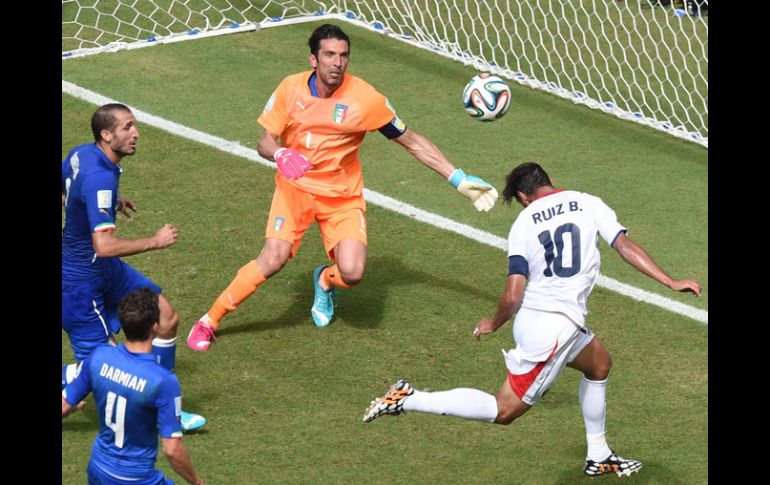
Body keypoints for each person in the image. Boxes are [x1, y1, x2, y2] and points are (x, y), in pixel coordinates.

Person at [362, 162, 701, 477]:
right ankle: (408, 397)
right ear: (547, 182)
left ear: (523, 196)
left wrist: (493, 322)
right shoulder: (587, 202)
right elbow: (624, 246)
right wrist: (670, 281)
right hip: (553, 328)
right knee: (503, 410)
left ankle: (599, 456)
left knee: (599, 365)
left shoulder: (523, 223)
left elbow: (513, 294)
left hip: (543, 320)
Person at [186, 23, 498, 350]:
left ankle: (324, 280)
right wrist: (280, 154)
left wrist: (458, 178)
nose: (337, 62)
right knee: (272, 259)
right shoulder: (290, 89)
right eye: (330, 55)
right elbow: (264, 141)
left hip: (341, 198)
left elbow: (411, 141)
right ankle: (209, 320)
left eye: (344, 55)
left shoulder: (365, 99)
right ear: (313, 59)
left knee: (352, 272)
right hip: (295, 192)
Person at [62, 103, 206, 432]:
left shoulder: (83, 154)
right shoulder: (100, 175)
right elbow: (105, 245)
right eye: (127, 127)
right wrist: (155, 241)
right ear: (106, 134)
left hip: (103, 270)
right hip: (79, 286)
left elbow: (65, 191)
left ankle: (164, 405)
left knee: (165, 317)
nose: (136, 133)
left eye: (135, 125)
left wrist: (107, 204)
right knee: (107, 372)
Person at [63, 289, 205, 485]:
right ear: (155, 327)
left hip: (98, 469)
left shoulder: (98, 356)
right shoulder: (163, 381)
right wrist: (198, 482)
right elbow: (172, 451)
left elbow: (63, 405)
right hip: (137, 478)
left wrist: (70, 410)